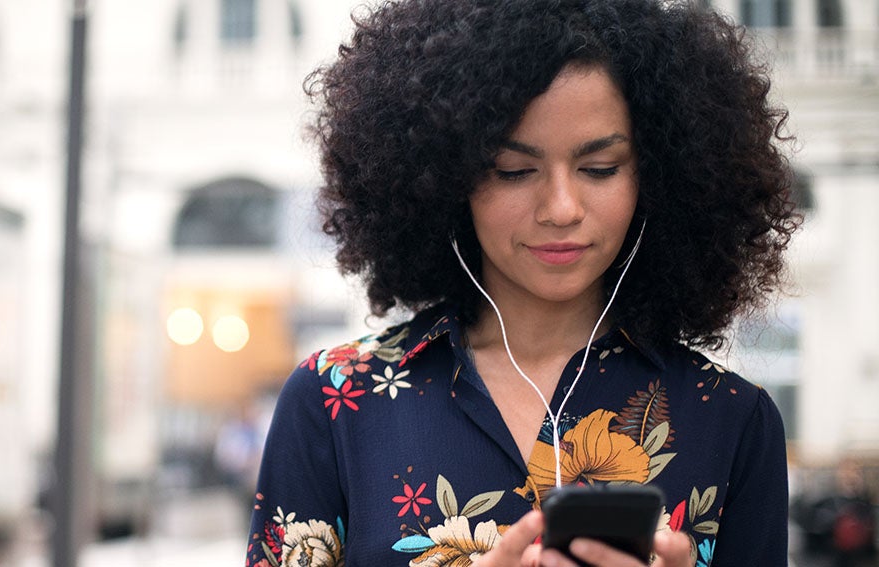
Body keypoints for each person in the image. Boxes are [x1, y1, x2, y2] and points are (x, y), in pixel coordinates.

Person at [244, 0, 800, 566]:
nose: (561, 208)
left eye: (600, 167)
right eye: (513, 170)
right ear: (446, 177)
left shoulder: (733, 419)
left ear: (657, 175)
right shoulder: (336, 401)